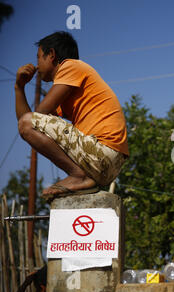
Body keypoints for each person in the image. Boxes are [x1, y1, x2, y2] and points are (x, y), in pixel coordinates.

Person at [15, 31, 129, 200]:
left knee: (28, 122)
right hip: (108, 164)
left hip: (103, 152)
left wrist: (28, 118)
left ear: (52, 55)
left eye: (39, 57)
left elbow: (33, 119)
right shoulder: (68, 88)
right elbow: (27, 127)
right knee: (27, 124)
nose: (37, 66)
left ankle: (78, 175)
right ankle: (81, 176)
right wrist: (19, 87)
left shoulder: (71, 66)